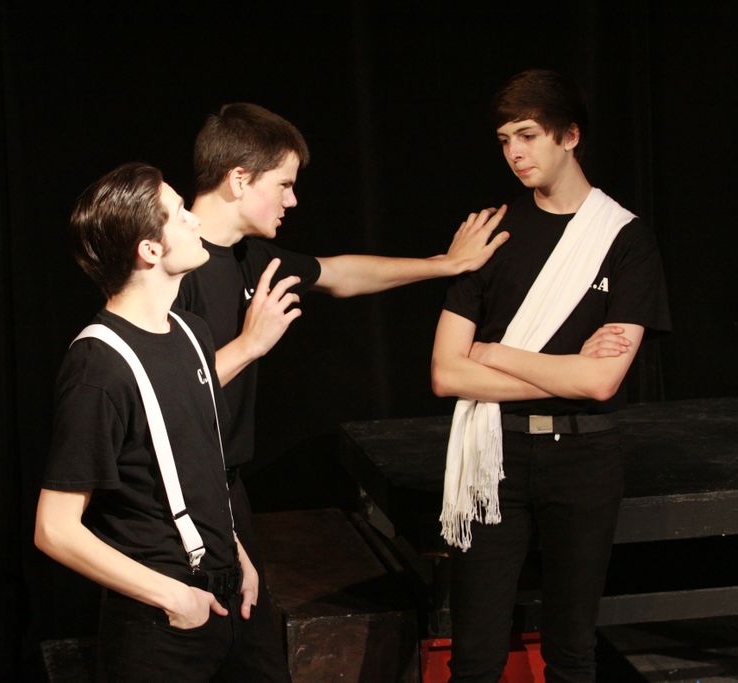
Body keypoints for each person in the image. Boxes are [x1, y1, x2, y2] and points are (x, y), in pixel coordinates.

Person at [174, 102, 512, 680]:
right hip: (174, 497)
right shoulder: (170, 265)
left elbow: (341, 274)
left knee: (257, 661)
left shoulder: (252, 255)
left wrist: (443, 265)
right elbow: (158, 396)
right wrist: (250, 344)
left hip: (225, 489)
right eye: (283, 184)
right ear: (239, 179)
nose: (292, 200)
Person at [430, 69, 671, 682]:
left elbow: (600, 384)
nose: (514, 152)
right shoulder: (492, 233)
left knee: (572, 652)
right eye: (505, 139)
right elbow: (445, 373)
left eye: (528, 135)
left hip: (584, 458)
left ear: (570, 135)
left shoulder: (625, 239)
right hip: (495, 454)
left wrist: (492, 353)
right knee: (474, 657)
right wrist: (568, 371)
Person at [34, 162, 268, 681]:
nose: (195, 219)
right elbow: (54, 528)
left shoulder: (191, 332)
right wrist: (172, 596)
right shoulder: (99, 365)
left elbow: (199, 466)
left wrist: (237, 553)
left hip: (230, 597)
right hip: (162, 623)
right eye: (181, 213)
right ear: (150, 250)